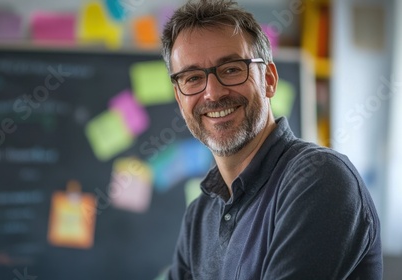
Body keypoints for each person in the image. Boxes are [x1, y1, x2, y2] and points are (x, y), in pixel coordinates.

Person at [160, 0, 383, 279]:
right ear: (180, 100)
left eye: (231, 69)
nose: (213, 93)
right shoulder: (200, 215)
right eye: (192, 78)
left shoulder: (319, 178)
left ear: (269, 79)